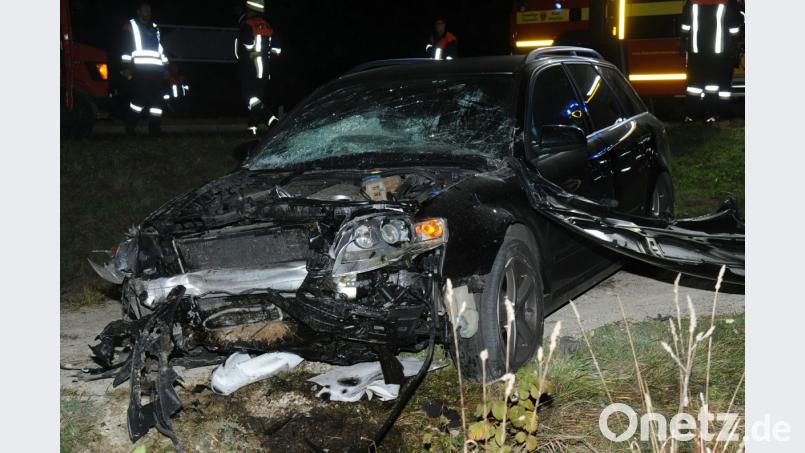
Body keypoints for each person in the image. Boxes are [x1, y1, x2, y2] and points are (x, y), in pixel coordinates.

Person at [679, 0, 743, 123]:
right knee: (712, 84)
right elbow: (734, 27)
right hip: (717, 52)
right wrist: (735, 41)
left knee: (694, 85)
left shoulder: (692, 1)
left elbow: (685, 25)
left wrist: (683, 39)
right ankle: (710, 115)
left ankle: (691, 115)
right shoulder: (727, 2)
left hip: (696, 50)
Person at [121, 1, 169, 136]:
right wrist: (125, 67)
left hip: (157, 71)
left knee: (157, 103)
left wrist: (166, 68)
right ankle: (130, 127)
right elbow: (125, 48)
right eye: (145, 10)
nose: (147, 12)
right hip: (140, 70)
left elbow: (161, 50)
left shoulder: (155, 28)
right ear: (138, 11)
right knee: (139, 101)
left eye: (149, 10)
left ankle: (155, 130)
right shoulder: (131, 26)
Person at [236, 0, 281, 135]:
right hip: (265, 68)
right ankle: (253, 127)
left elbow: (248, 45)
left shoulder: (247, 25)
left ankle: (271, 120)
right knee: (258, 96)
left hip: (250, 66)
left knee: (249, 97)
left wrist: (252, 53)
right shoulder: (268, 25)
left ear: (249, 10)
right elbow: (277, 49)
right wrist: (267, 56)